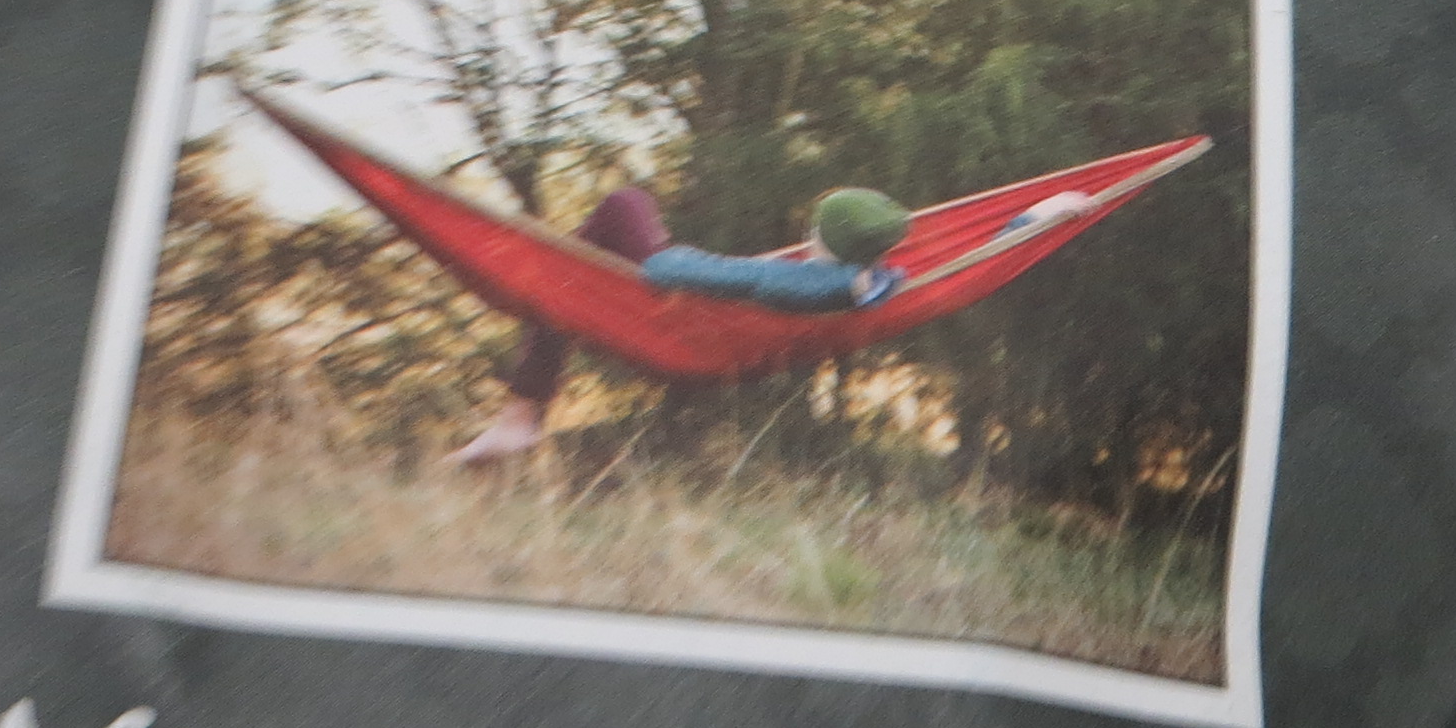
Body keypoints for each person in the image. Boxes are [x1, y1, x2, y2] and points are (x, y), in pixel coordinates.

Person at [444, 178, 1095, 467]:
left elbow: (710, 276)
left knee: (619, 207)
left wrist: (680, 265)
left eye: (815, 231)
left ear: (824, 241)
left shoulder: (807, 280)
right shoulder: (882, 280)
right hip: (705, 327)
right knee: (560, 284)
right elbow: (971, 257)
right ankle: (520, 414)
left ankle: (521, 414)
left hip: (680, 316)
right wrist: (1043, 213)